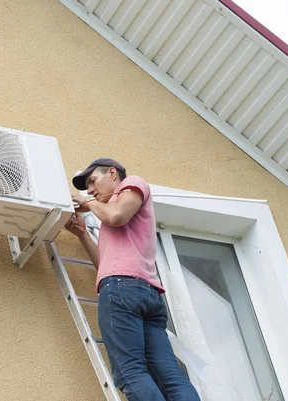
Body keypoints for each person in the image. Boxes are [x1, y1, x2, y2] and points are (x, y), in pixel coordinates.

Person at [65, 158, 200, 401]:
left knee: (130, 372)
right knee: (169, 376)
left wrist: (86, 202)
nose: (91, 190)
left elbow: (116, 216)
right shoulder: (112, 219)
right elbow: (105, 267)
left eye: (93, 181)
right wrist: (83, 234)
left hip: (122, 290)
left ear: (113, 174)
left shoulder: (132, 185)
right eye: (87, 188)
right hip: (144, 294)